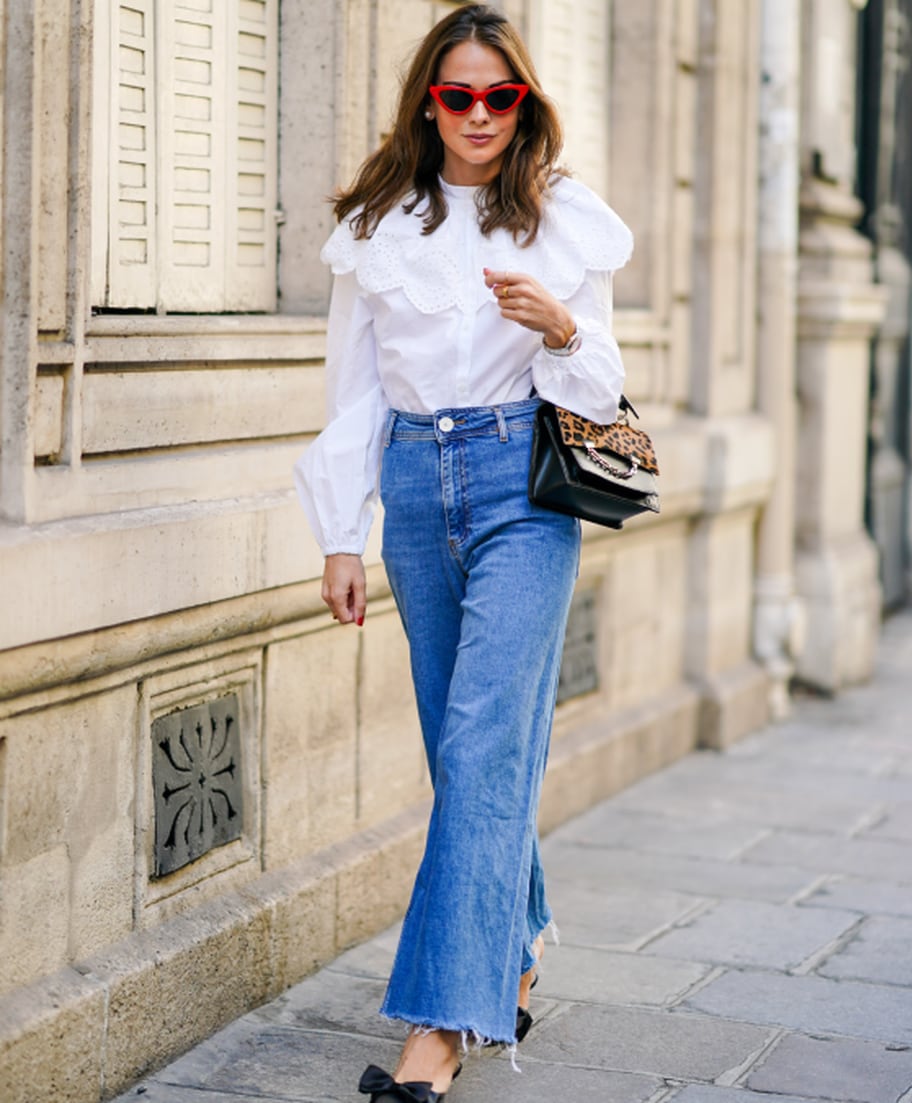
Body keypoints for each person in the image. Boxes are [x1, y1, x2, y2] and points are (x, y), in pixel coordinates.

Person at [291, 5, 632, 1099]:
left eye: (500, 96)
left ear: (523, 102)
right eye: (457, 96)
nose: (479, 115)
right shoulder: (378, 221)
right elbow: (350, 391)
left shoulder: (562, 219)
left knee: (484, 749)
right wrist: (339, 534)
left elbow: (604, 390)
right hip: (408, 483)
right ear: (427, 103)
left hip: (520, 489)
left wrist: (562, 327)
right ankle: (517, 934)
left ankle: (436, 1031)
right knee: (462, 748)